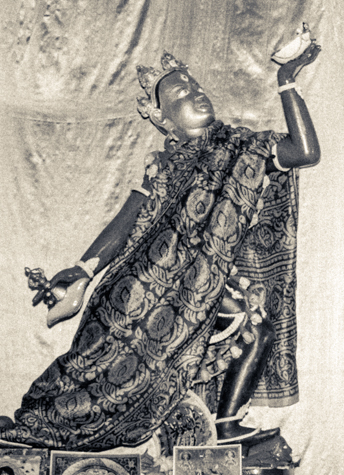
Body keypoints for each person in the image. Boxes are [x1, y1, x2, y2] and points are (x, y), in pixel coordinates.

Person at [0, 39, 321, 453]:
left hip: (204, 278)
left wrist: (285, 81)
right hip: (146, 285)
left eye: (195, 85)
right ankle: (43, 420)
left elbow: (305, 151)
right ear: (160, 117)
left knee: (256, 327)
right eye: (180, 93)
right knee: (103, 370)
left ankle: (225, 424)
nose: (194, 92)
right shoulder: (163, 167)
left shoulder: (243, 147)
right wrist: (83, 269)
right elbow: (127, 220)